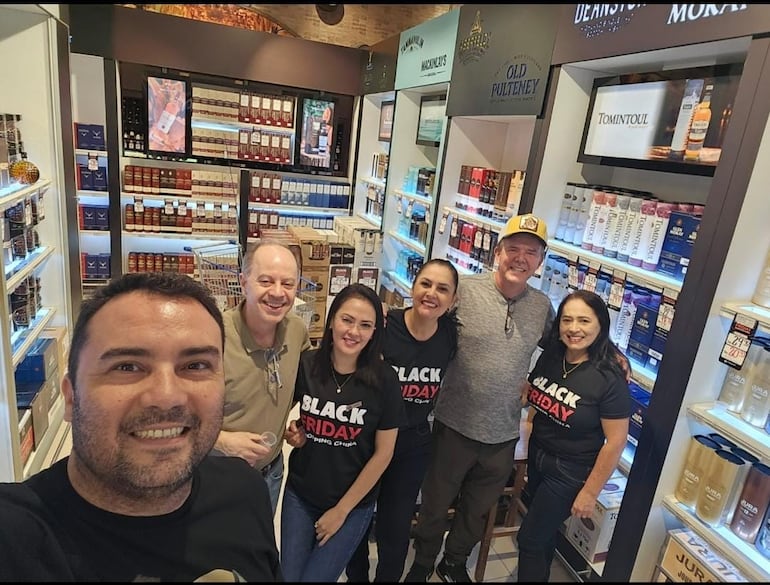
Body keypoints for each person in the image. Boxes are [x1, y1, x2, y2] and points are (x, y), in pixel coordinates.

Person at [0, 272, 281, 581]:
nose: (166, 397)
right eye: (127, 367)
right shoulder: (16, 534)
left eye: (196, 365)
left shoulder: (245, 491)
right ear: (70, 397)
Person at [405, 213, 555, 583]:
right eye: (514, 249)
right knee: (436, 505)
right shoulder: (465, 291)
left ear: (540, 262)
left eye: (531, 252)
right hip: (453, 423)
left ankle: (453, 562)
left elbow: (559, 351)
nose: (521, 258)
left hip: (503, 433)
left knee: (477, 510)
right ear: (498, 252)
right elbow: (423, 322)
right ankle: (423, 561)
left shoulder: (542, 306)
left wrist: (535, 382)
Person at [280, 283, 405, 582]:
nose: (353, 332)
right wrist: (294, 433)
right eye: (347, 320)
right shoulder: (307, 366)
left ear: (375, 331)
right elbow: (288, 418)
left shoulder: (385, 381)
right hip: (301, 494)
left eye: (365, 325)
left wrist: (342, 511)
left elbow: (384, 453)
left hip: (352, 504)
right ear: (332, 319)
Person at [346, 259, 461, 582]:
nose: (431, 294)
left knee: (395, 532)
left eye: (442, 289)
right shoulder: (384, 325)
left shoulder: (451, 335)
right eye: (425, 284)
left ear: (452, 300)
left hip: (412, 444)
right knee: (357, 518)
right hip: (367, 441)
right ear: (413, 285)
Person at [517, 289, 630, 581]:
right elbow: (534, 395)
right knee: (542, 536)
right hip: (539, 456)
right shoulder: (553, 356)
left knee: (529, 539)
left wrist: (590, 492)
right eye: (567, 320)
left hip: (569, 471)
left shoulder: (609, 377)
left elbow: (616, 442)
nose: (574, 328)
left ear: (600, 325)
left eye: (584, 320)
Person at [214, 240, 311, 514]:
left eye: (288, 284)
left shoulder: (296, 331)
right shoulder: (214, 337)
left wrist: (301, 426)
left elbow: (304, 387)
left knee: (257, 552)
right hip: (217, 476)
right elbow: (179, 416)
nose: (278, 293)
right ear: (244, 282)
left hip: (271, 472)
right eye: (266, 281)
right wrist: (222, 441)